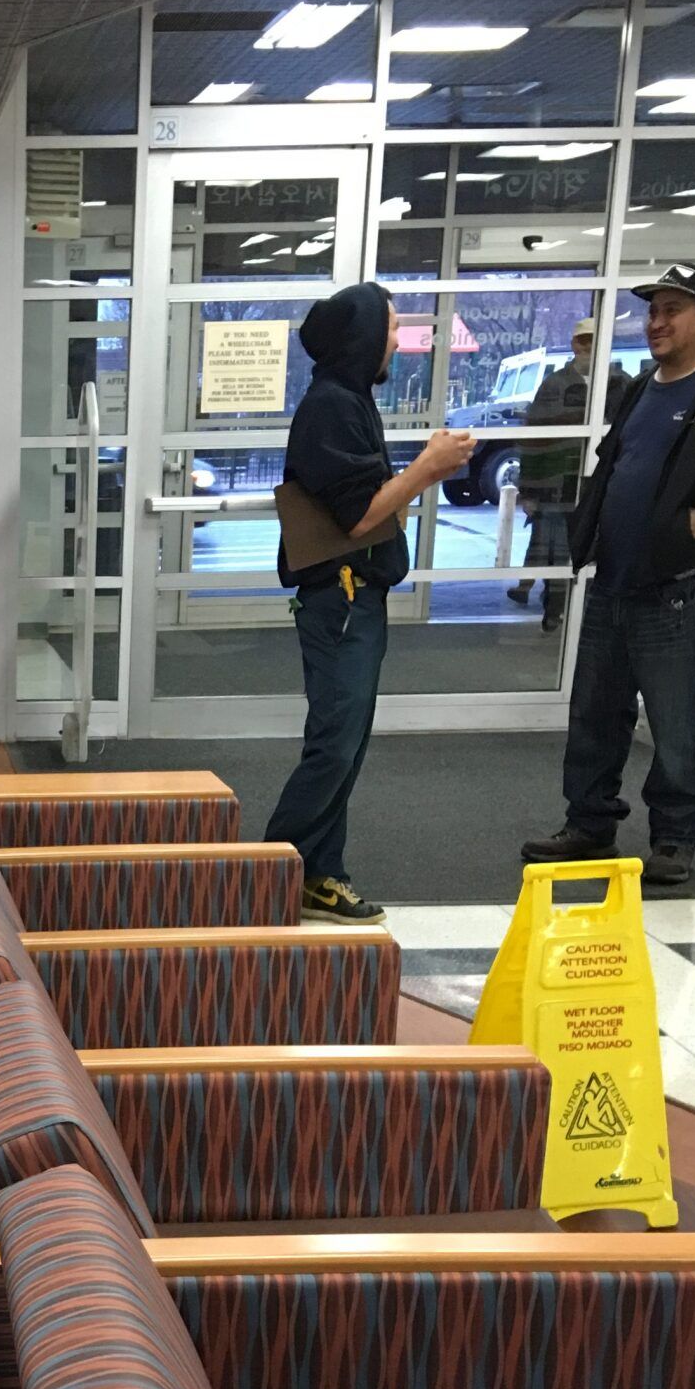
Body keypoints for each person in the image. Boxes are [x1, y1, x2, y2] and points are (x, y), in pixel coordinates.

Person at [522, 263, 695, 886]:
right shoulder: (643, 387)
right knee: (594, 715)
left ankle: (674, 839)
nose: (658, 322)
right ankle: (589, 825)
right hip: (612, 582)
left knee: (676, 721)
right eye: (652, 311)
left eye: (674, 309)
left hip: (675, 592)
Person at [267, 282, 474, 922]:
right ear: (360, 337)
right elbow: (358, 516)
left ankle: (319, 873)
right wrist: (428, 466)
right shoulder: (332, 407)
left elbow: (365, 505)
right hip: (342, 601)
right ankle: (267, 870)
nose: (396, 338)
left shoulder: (350, 401)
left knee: (345, 741)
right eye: (389, 327)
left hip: (355, 598)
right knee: (334, 742)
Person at [506, 319, 630, 629]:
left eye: (593, 341)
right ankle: (555, 612)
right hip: (557, 484)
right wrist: (529, 490)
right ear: (574, 344)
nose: (587, 347)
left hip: (605, 487)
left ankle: (592, 618)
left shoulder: (623, 385)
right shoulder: (554, 385)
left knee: (603, 553)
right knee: (554, 551)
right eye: (582, 341)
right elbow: (533, 436)